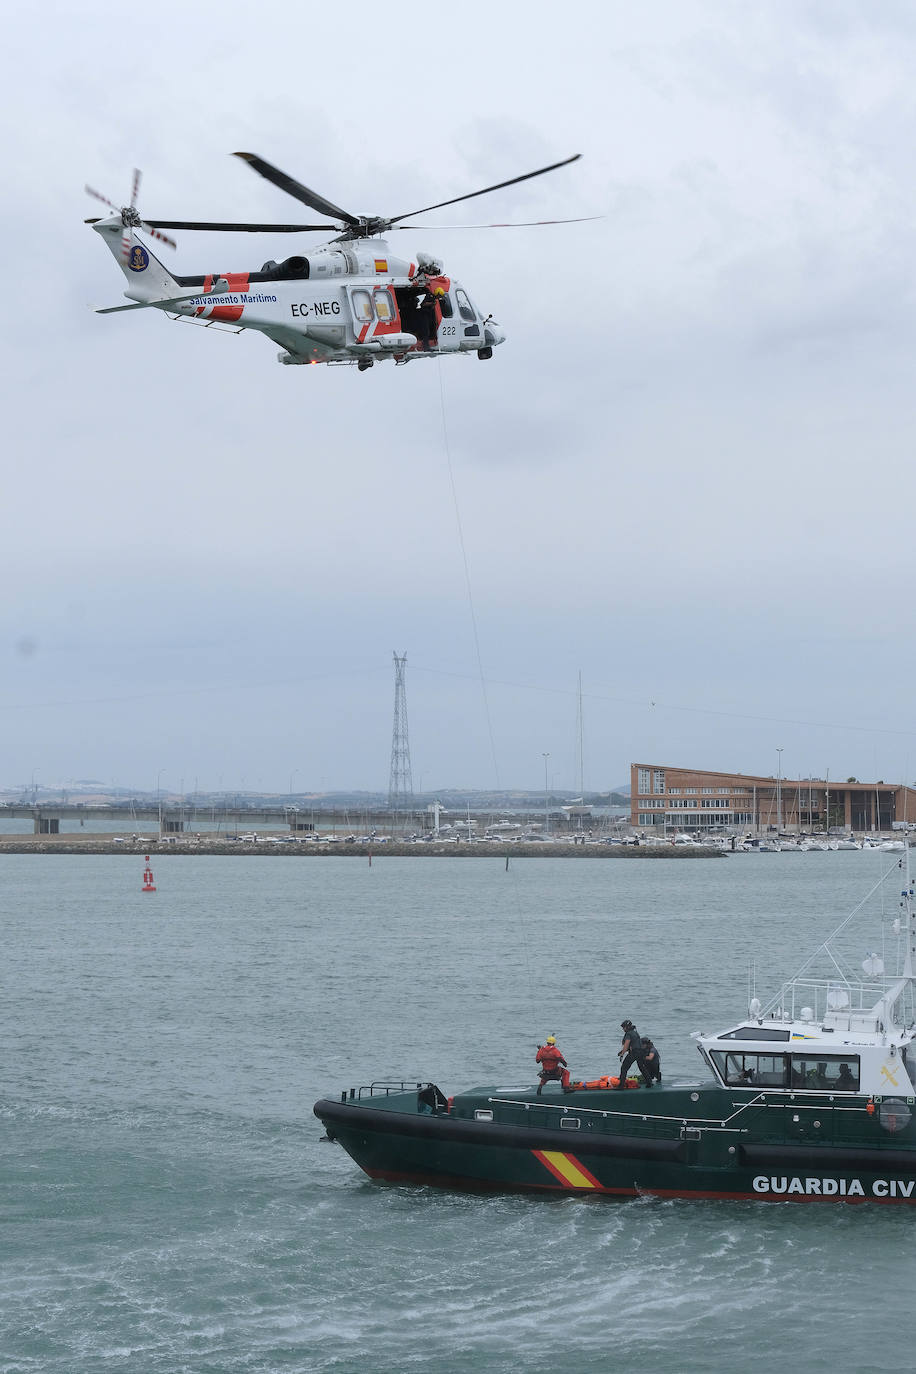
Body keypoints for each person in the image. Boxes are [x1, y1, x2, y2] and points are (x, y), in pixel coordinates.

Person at [614, 1019, 645, 1089]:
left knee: (624, 1068)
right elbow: (634, 1044)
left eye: (623, 1027)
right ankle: (649, 1082)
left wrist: (622, 1054)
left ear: (627, 1027)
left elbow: (627, 1044)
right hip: (640, 1052)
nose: (623, 1029)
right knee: (641, 1067)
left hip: (634, 1052)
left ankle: (621, 1086)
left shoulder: (628, 1033)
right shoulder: (635, 1032)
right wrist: (622, 1051)